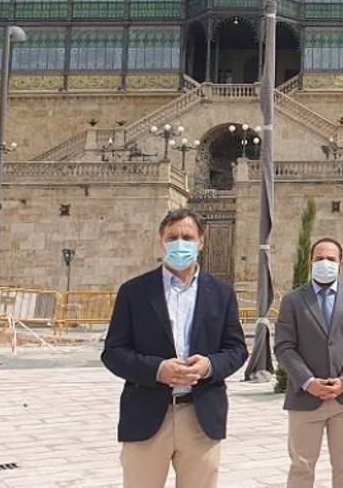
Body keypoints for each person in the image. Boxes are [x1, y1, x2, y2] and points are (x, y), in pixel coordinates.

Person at [101, 208, 248, 488]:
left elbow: (236, 349)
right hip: (147, 416)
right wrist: (157, 369)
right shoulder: (134, 292)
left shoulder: (221, 293)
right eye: (173, 237)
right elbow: (114, 352)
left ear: (201, 242)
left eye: (187, 237)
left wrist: (210, 366)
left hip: (201, 416)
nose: (180, 243)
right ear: (161, 241)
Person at [274, 237, 343, 488]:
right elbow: (284, 347)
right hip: (305, 398)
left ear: (341, 263)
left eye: (331, 259)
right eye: (319, 258)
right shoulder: (293, 301)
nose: (324, 263)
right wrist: (308, 381)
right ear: (310, 262)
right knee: (301, 467)